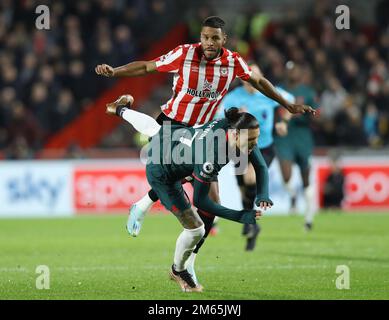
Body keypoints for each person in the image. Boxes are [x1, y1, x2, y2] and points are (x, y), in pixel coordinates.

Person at [95, 16, 316, 239]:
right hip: (174, 120)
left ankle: (148, 210)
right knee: (166, 151)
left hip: (202, 128)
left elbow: (258, 81)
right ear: (200, 37)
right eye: (205, 37)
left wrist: (287, 105)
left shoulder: (233, 61)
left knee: (212, 198)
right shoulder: (184, 54)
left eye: (214, 38)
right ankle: (121, 112)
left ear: (224, 39)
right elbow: (146, 66)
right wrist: (115, 71)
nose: (209, 42)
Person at [107, 97, 269, 292]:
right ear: (234, 135)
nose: (254, 144)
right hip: (162, 173)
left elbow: (260, 165)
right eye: (251, 140)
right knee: (196, 229)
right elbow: (200, 201)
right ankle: (178, 270)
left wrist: (263, 194)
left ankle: (120, 110)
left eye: (255, 138)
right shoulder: (211, 156)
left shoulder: (236, 124)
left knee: (157, 131)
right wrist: (239, 215)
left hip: (177, 139)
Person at [217, 63, 295, 251]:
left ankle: (249, 222)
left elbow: (290, 103)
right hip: (240, 147)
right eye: (248, 77)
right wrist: (235, 117)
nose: (251, 80)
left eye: (255, 76)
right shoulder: (233, 98)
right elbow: (220, 119)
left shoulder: (269, 93)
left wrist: (283, 122)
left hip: (264, 147)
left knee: (250, 178)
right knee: (243, 188)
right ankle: (252, 225)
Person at [273, 62, 319, 231]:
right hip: (284, 136)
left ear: (300, 72)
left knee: (306, 178)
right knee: (286, 176)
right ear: (286, 72)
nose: (292, 72)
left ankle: (308, 218)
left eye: (295, 69)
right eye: (289, 70)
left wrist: (311, 114)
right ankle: (292, 195)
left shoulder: (307, 92)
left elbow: (317, 115)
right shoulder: (278, 90)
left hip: (303, 137)